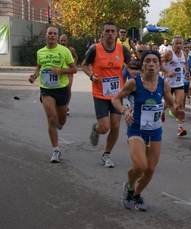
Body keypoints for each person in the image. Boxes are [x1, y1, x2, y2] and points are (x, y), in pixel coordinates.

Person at [112, 50, 185, 211]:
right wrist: (124, 111)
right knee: (140, 165)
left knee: (150, 169)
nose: (151, 64)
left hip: (154, 131)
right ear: (143, 64)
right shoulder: (134, 83)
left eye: (154, 61)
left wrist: (177, 111)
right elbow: (115, 98)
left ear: (159, 65)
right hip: (136, 129)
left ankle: (136, 194)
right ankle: (129, 185)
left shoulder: (163, 84)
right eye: (147, 61)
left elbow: (171, 103)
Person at [81, 21, 138, 168]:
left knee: (116, 126)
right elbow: (84, 65)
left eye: (113, 31)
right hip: (100, 93)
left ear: (117, 33)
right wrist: (91, 76)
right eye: (108, 31)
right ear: (102, 33)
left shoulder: (122, 49)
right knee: (104, 127)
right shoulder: (95, 49)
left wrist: (137, 70)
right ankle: (96, 129)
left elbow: (129, 64)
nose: (111, 34)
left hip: (116, 95)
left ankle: (106, 154)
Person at [28, 27, 77, 163]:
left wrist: (60, 71)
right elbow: (39, 66)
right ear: (46, 36)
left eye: (55, 34)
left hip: (61, 88)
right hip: (46, 89)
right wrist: (34, 76)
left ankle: (59, 122)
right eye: (50, 33)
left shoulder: (65, 51)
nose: (52, 36)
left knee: (61, 121)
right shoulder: (40, 52)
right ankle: (56, 150)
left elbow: (74, 69)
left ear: (57, 37)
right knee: (51, 118)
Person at [160, 35, 190, 136]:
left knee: (179, 103)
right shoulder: (169, 53)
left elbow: (185, 63)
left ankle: (180, 128)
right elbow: (158, 63)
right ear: (173, 44)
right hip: (168, 83)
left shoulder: (184, 53)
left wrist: (187, 73)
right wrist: (167, 71)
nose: (178, 45)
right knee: (169, 103)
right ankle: (160, 111)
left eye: (180, 43)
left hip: (179, 82)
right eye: (176, 43)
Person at [59, 34, 78, 116]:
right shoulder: (56, 49)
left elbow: (76, 57)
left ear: (67, 41)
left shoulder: (71, 49)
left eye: (64, 40)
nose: (63, 42)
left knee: (68, 89)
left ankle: (66, 106)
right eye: (61, 41)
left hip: (69, 71)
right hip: (60, 71)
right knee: (59, 89)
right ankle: (60, 106)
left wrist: (73, 65)